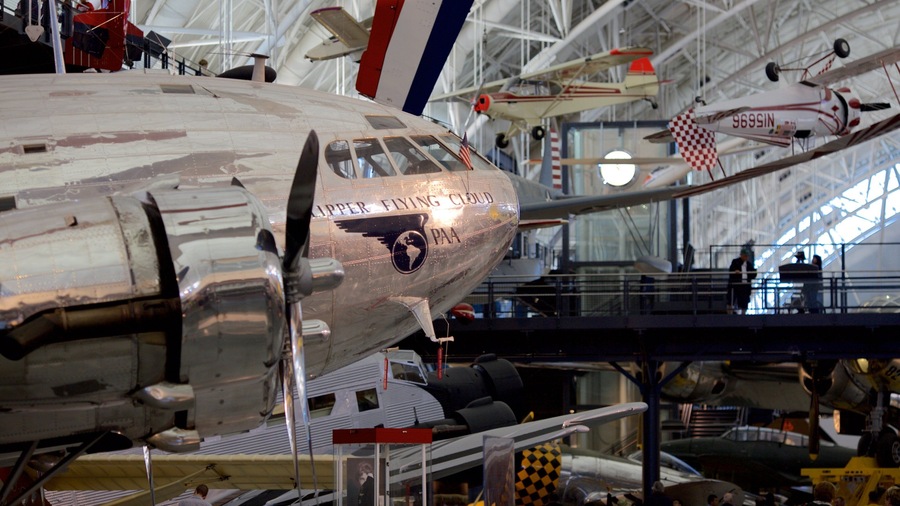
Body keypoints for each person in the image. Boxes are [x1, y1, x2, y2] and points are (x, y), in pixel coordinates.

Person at [727, 248, 756, 314]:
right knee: (732, 299)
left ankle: (743, 313)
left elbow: (753, 274)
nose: (746, 257)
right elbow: (731, 270)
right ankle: (730, 313)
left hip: (745, 286)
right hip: (736, 285)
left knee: (744, 300)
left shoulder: (749, 264)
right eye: (745, 256)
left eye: (747, 256)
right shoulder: (735, 262)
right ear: (741, 255)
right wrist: (735, 271)